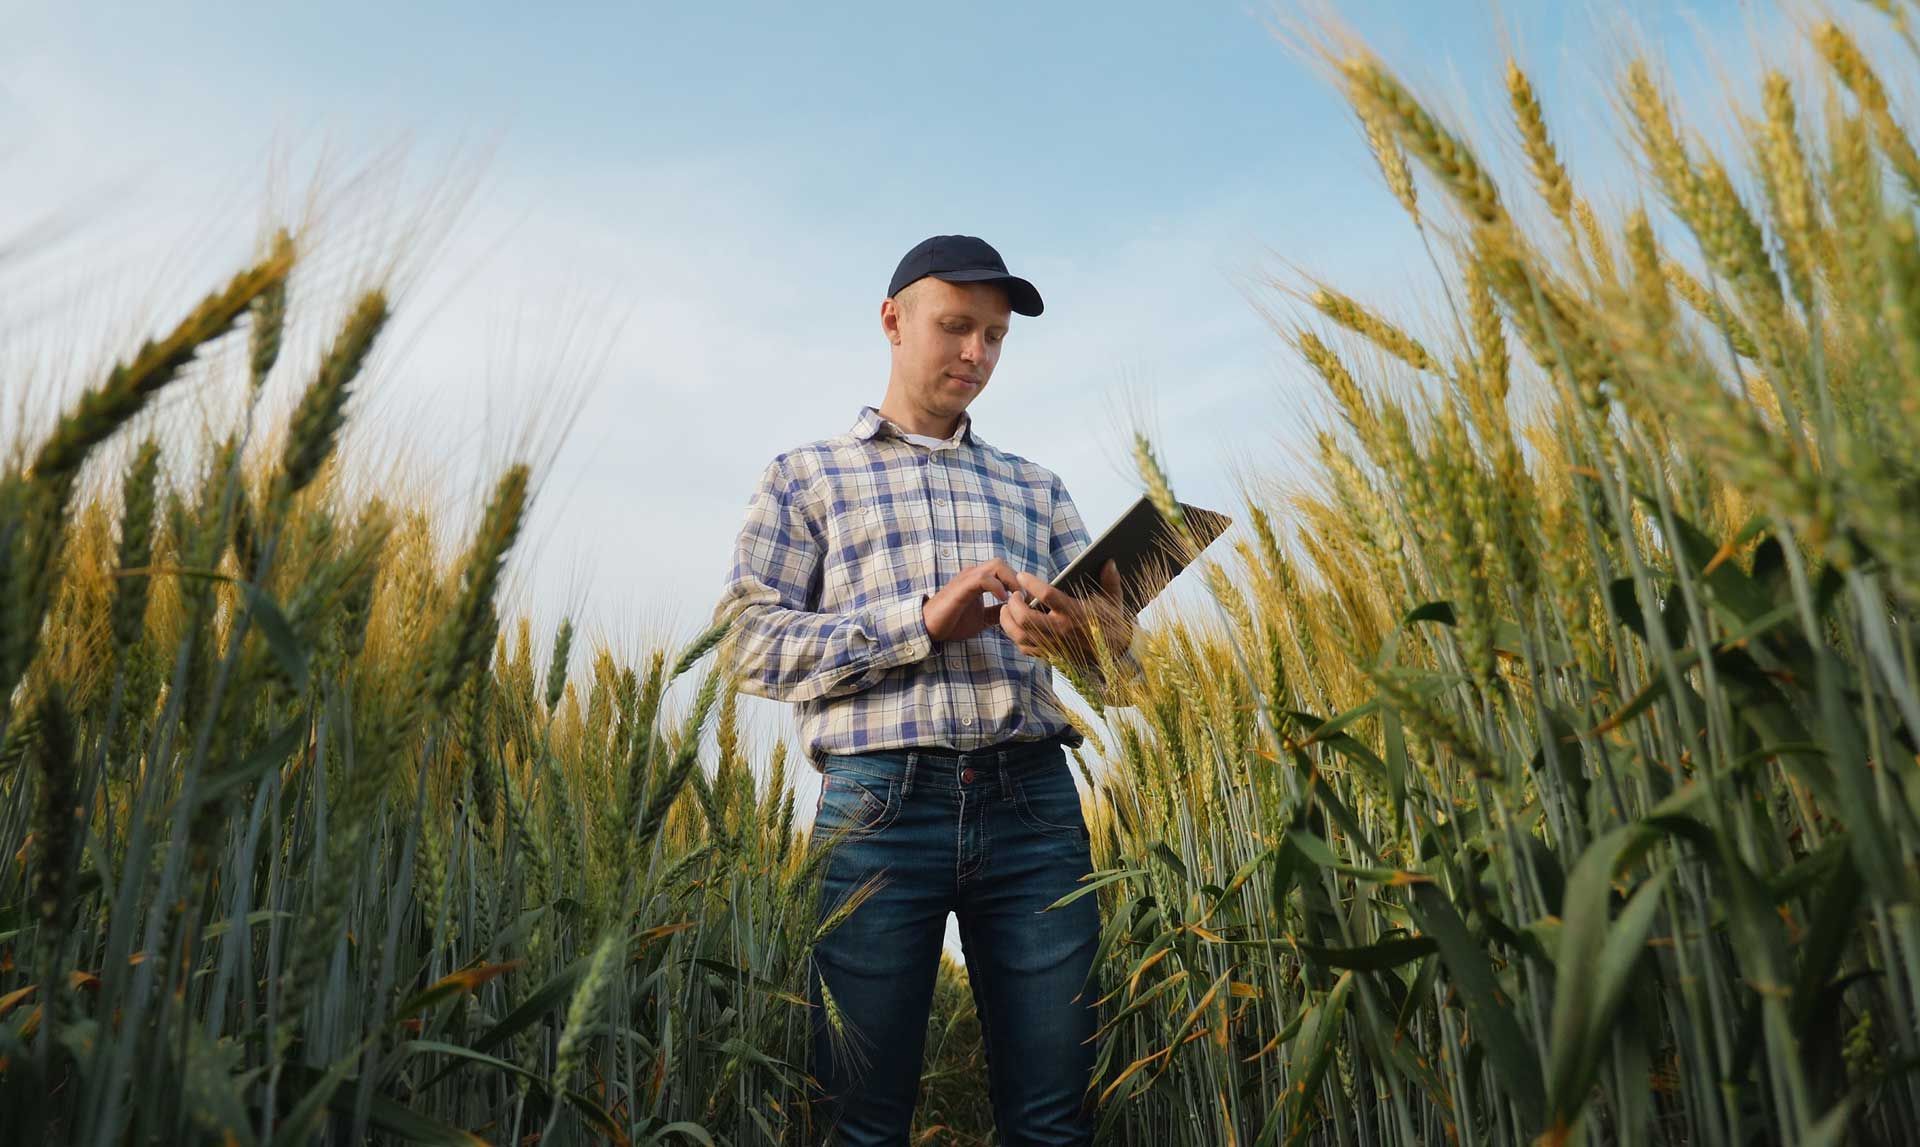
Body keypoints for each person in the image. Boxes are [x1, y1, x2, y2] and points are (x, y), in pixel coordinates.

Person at [711, 233, 1144, 1145]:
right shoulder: (805, 477)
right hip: (878, 805)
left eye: (994, 337)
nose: (976, 355)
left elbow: (1129, 679)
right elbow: (745, 645)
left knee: (1056, 1113)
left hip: (1033, 803)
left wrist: (1078, 641)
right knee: (858, 1115)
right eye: (955, 328)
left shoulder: (1038, 488)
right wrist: (921, 622)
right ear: (892, 320)